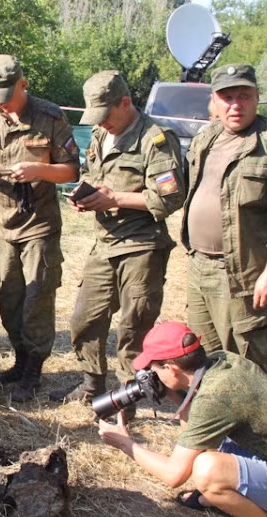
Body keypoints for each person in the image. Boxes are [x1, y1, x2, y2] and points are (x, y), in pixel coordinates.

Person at [99, 321, 267, 517]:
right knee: (197, 446)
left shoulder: (215, 397)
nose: (149, 375)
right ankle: (228, 499)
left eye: (154, 369)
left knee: (206, 470)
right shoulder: (222, 360)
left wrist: (126, 443)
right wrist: (171, 392)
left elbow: (174, 475)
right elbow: (199, 423)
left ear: (171, 368)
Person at [49, 71, 185, 409]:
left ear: (125, 103)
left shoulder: (156, 139)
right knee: (85, 318)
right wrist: (85, 196)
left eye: (107, 114)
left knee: (133, 326)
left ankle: (128, 396)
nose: (103, 122)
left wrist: (115, 199)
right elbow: (93, 176)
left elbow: (169, 198)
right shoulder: (99, 133)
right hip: (105, 243)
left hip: (142, 246)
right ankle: (92, 384)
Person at [181, 64, 267, 384]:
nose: (235, 105)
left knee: (245, 364)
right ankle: (222, 424)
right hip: (199, 266)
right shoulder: (207, 137)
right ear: (214, 101)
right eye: (227, 97)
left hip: (242, 274)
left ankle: (250, 431)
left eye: (244, 96)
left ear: (257, 98)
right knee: (206, 356)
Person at [0, 54, 79, 401]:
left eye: (7, 96)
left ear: (23, 84)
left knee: (37, 299)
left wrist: (38, 170)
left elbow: (72, 170)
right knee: (9, 300)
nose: (1, 105)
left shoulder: (49, 116)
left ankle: (33, 369)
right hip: (3, 225)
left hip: (40, 225)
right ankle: (19, 360)